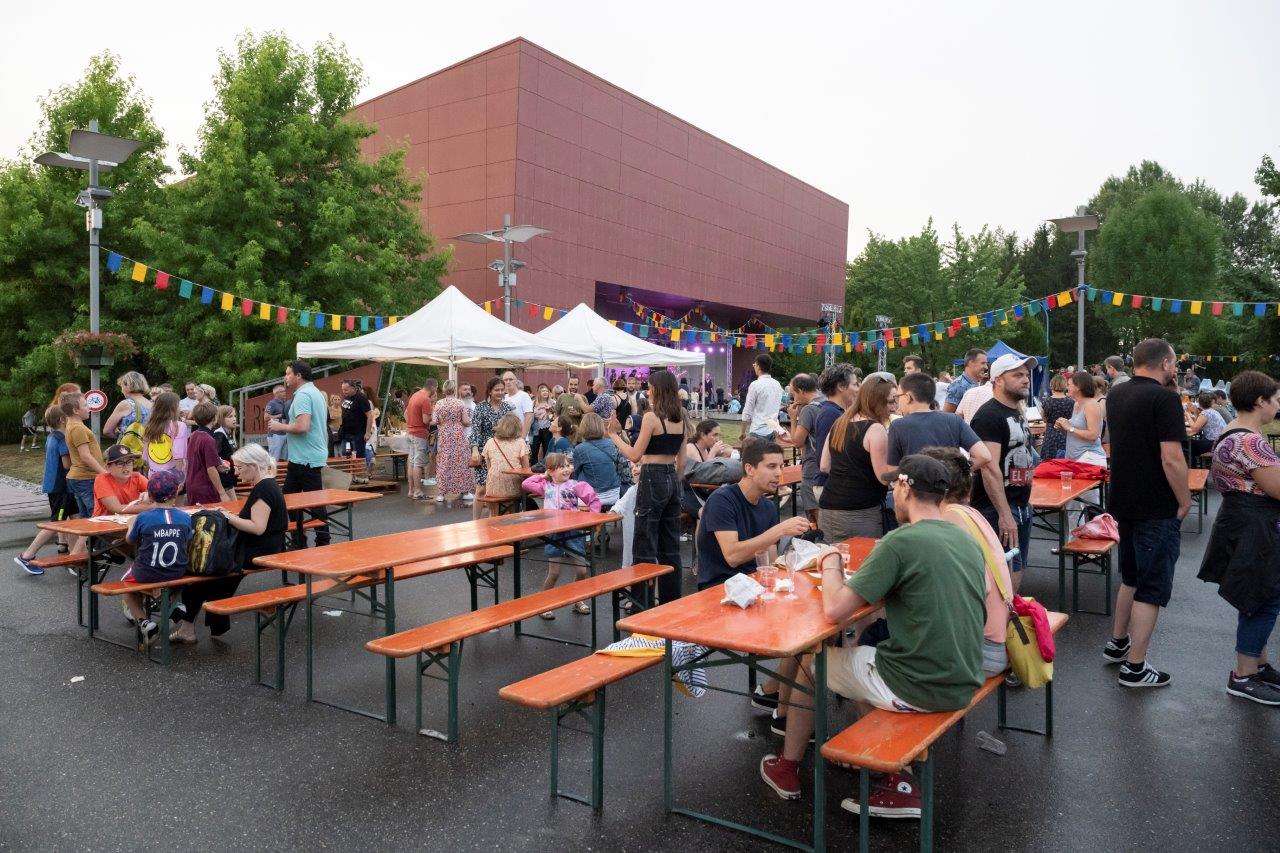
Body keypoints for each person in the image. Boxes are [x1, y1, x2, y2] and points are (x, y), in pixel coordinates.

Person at [761, 455, 986, 814]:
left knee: (812, 664)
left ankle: (788, 768)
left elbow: (835, 609)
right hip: (965, 676)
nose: (892, 494)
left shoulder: (900, 541)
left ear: (905, 487)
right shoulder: (964, 539)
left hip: (920, 684)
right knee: (857, 661)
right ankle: (880, 758)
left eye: (895, 485)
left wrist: (830, 562)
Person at [1103, 338, 1190, 688]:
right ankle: (1135, 668)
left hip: (1124, 498)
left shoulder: (1116, 394)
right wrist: (1184, 500)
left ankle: (1117, 643)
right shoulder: (1164, 399)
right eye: (1174, 363)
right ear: (1166, 363)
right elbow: (1172, 458)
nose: (1176, 369)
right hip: (1156, 504)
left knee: (1131, 577)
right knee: (1151, 588)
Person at [1196, 371, 1280, 705]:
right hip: (1255, 525)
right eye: (1275, 400)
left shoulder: (1233, 431)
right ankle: (1244, 675)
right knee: (1264, 597)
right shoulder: (1250, 441)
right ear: (1260, 401)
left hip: (1240, 519)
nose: (1278, 406)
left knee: (1255, 594)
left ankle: (1257, 665)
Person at [173, 444, 287, 644]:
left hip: (256, 551)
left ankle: (190, 627)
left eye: (240, 467)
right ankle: (204, 625)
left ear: (253, 466)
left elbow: (257, 527)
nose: (237, 472)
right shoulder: (269, 485)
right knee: (208, 575)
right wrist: (229, 516)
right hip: (265, 547)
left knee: (204, 574)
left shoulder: (263, 489)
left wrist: (227, 517)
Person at [922, 446, 1013, 676]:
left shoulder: (949, 521)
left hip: (982, 650)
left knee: (875, 648)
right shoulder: (969, 513)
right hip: (999, 639)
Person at [609, 369, 687, 603]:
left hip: (652, 475)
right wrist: (674, 481)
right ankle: (671, 602)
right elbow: (682, 462)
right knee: (670, 546)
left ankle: (641, 604)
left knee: (644, 544)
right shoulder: (681, 418)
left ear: (657, 390)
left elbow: (635, 455)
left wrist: (614, 435)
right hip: (672, 476)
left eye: (650, 387)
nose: (647, 391)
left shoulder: (652, 418)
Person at [695, 439, 811, 590]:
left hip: (755, 583)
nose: (779, 473)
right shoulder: (722, 500)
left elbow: (769, 562)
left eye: (781, 466)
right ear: (749, 469)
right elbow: (733, 557)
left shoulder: (768, 507)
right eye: (771, 466)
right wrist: (780, 530)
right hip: (720, 587)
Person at [970, 355, 1037, 586]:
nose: (1026, 379)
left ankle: (1010, 609)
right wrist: (1005, 514)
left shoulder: (1016, 410)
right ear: (998, 380)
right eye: (1017, 375)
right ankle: (1003, 611)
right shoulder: (989, 415)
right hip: (997, 509)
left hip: (1020, 505)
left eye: (1026, 374)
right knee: (1002, 575)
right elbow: (989, 469)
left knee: (1017, 568)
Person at [523, 454, 602, 618]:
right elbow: (526, 484)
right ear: (551, 471)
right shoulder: (546, 486)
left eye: (568, 465)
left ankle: (577, 599)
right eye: (561, 467)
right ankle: (544, 604)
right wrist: (542, 476)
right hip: (554, 533)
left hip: (573, 532)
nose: (567, 469)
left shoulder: (575, 485)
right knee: (554, 573)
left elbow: (593, 500)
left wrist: (593, 519)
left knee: (581, 571)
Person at [819, 374, 896, 540]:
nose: (894, 407)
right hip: (860, 510)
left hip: (828, 506)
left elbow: (824, 466)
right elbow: (884, 478)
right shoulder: (875, 429)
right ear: (876, 401)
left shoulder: (839, 422)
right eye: (890, 401)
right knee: (864, 556)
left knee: (833, 555)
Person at [119, 470, 191, 647]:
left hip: (147, 572)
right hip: (177, 571)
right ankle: (175, 605)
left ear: (150, 496)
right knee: (173, 579)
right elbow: (188, 538)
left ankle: (143, 621)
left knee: (125, 584)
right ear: (176, 494)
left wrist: (131, 524)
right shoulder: (184, 517)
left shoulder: (143, 517)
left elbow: (130, 540)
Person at [266, 360, 331, 548]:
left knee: (310, 502)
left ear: (298, 375)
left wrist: (279, 426)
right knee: (292, 498)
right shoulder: (315, 392)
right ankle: (302, 539)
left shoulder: (303, 395)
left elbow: (303, 426)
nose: (285, 377)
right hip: (306, 456)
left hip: (306, 458)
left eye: (288, 373)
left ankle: (318, 541)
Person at [14, 406, 75, 575]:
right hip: (61, 487)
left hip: (57, 486)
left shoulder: (52, 436)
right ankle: (27, 556)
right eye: (68, 415)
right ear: (62, 419)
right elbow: (67, 464)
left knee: (76, 520)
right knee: (57, 522)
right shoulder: (62, 438)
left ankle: (76, 557)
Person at [886, 372, 992, 470]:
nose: (897, 402)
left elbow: (893, 470)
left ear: (908, 397)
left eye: (898, 397)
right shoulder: (954, 420)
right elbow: (984, 456)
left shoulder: (898, 426)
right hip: (951, 484)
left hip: (916, 484)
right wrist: (957, 472)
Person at [469, 377, 514, 518]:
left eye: (502, 390)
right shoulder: (480, 407)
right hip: (484, 452)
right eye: (496, 390)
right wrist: (474, 449)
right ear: (489, 391)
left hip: (502, 452)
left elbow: (512, 429)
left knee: (495, 489)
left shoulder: (508, 408)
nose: (500, 393)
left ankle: (491, 519)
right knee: (481, 489)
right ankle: (475, 522)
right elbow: (475, 430)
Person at [63, 391, 107, 522]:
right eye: (86, 405)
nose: (89, 408)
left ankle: (86, 536)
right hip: (86, 478)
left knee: (86, 517)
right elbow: (85, 456)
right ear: (75, 410)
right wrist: (104, 473)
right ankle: (96, 536)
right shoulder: (78, 428)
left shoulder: (72, 425)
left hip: (80, 478)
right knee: (95, 514)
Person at [430, 380, 474, 503]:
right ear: (454, 390)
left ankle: (441, 493)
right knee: (461, 461)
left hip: (444, 435)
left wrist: (443, 422)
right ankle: (464, 491)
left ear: (444, 390)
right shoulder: (460, 403)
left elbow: (435, 421)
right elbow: (466, 421)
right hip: (458, 434)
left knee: (444, 462)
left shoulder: (439, 404)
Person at [572, 413, 622, 507]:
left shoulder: (580, 449)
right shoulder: (611, 443)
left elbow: (576, 474)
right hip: (615, 493)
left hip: (594, 496)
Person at [185, 402, 231, 504]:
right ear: (214, 418)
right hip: (205, 487)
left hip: (191, 484)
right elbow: (211, 468)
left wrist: (218, 466)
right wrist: (222, 493)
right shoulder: (208, 439)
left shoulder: (192, 436)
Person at [1056, 372, 1106, 464]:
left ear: (1078, 387)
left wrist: (1070, 428)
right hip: (1075, 458)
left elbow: (1093, 435)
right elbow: (1075, 433)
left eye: (1069, 385)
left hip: (1089, 458)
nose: (1067, 387)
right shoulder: (1077, 404)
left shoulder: (1091, 405)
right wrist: (1063, 427)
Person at [482, 413, 530, 507]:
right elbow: (526, 469)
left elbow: (489, 468)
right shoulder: (520, 442)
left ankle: (493, 515)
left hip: (492, 488)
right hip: (513, 488)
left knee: (494, 510)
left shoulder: (490, 442)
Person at [92, 444, 151, 518]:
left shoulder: (137, 477)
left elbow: (160, 494)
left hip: (130, 521)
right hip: (104, 523)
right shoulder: (102, 479)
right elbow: (116, 509)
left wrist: (150, 497)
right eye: (120, 463)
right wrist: (153, 506)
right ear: (108, 467)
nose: (126, 467)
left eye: (129, 462)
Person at [140, 391, 189, 476]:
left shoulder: (149, 426)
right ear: (173, 408)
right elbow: (179, 455)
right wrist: (179, 478)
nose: (180, 408)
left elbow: (146, 455)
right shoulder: (179, 426)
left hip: (153, 473)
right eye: (178, 405)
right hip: (172, 474)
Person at [405, 378, 437, 500]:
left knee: (412, 462)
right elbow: (425, 420)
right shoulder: (425, 399)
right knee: (418, 464)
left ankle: (411, 490)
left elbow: (407, 413)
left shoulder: (415, 395)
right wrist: (434, 418)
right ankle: (418, 491)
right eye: (436, 388)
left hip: (410, 432)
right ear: (433, 387)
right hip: (419, 434)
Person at [741, 353, 785, 441]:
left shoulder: (755, 385)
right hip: (773, 429)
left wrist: (742, 432)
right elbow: (779, 405)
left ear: (758, 366)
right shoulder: (777, 384)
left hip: (758, 431)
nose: (754, 366)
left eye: (755, 364)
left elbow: (747, 410)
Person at [102, 371, 151, 442]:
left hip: (130, 447)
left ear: (127, 386)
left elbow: (107, 431)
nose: (121, 391)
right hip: (149, 447)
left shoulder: (126, 404)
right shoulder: (153, 405)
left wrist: (122, 437)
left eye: (122, 386)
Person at [336, 379, 374, 463]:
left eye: (346, 390)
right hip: (346, 433)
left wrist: (367, 432)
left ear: (353, 388)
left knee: (358, 457)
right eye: (342, 389)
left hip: (357, 434)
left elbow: (370, 415)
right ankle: (349, 470)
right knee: (346, 456)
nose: (344, 392)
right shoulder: (346, 397)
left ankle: (359, 471)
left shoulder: (361, 398)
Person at [1039, 374, 1075, 460]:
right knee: (1064, 461)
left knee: (1049, 461)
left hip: (1050, 434)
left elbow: (1044, 418)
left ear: (1052, 385)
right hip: (1065, 434)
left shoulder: (1046, 401)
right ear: (1065, 385)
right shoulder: (1071, 402)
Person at [1187, 391, 1227, 458]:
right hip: (1221, 442)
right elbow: (1198, 424)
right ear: (1212, 402)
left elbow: (1194, 428)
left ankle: (1191, 463)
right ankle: (1194, 462)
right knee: (1192, 442)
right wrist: (1195, 412)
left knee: (1186, 443)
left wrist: (1187, 414)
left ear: (1199, 403)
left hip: (1214, 444)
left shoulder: (1205, 413)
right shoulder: (1212, 411)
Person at [212, 405, 239, 494]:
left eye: (234, 416)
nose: (234, 419)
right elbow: (215, 455)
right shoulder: (219, 434)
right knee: (231, 501)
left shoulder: (229, 433)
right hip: (224, 478)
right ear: (221, 419)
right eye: (230, 416)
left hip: (231, 476)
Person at [503, 370, 534, 435]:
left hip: (519, 435)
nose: (508, 382)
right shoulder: (503, 397)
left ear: (516, 381)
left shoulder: (524, 395)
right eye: (505, 380)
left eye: (510, 379)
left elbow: (529, 417)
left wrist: (523, 436)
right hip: (505, 435)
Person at [264, 385, 290, 462]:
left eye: (285, 391)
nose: (285, 393)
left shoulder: (286, 403)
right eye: (282, 391)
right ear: (276, 393)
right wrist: (280, 415)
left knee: (284, 459)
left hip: (285, 434)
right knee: (274, 460)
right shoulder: (272, 403)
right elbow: (266, 418)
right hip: (275, 435)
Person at [530, 384, 554, 463]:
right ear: (539, 393)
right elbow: (530, 415)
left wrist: (549, 412)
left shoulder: (552, 402)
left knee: (547, 449)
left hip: (547, 428)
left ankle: (546, 466)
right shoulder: (533, 402)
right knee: (534, 449)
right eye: (543, 391)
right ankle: (533, 466)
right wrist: (538, 409)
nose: (545, 392)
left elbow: (554, 417)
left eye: (547, 391)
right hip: (535, 429)